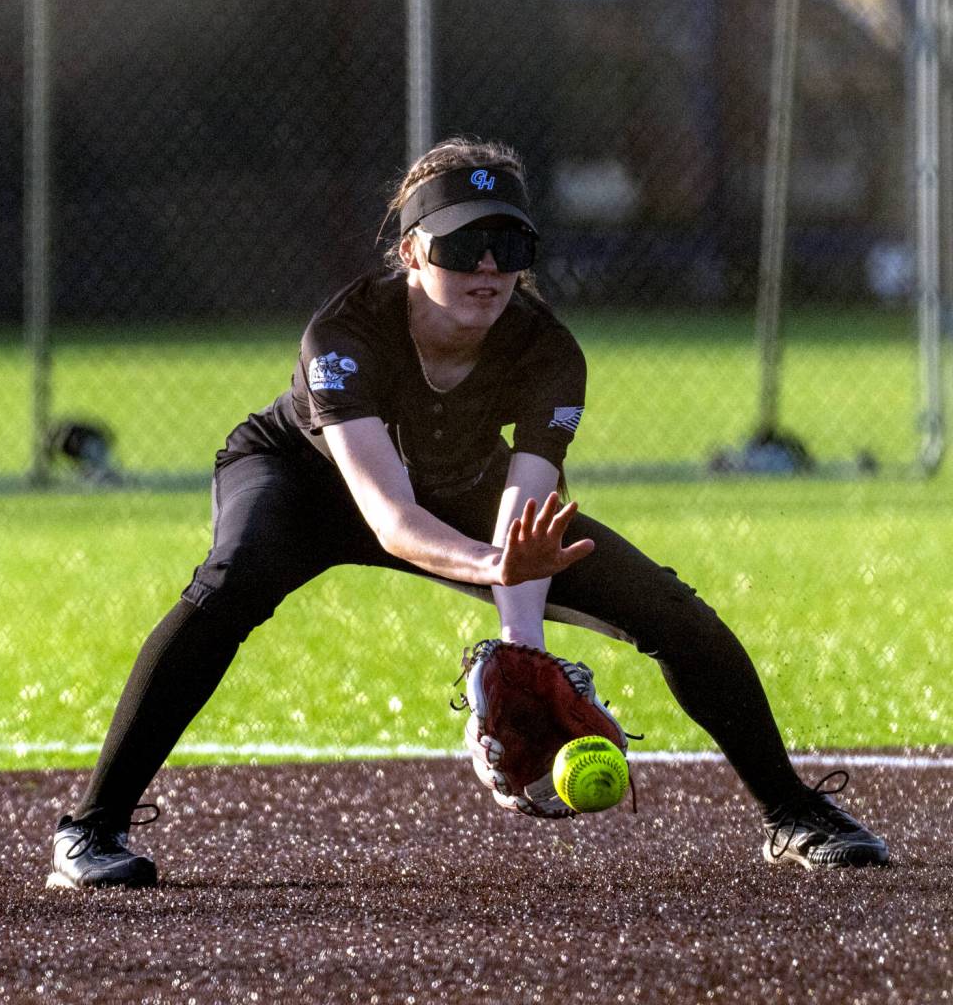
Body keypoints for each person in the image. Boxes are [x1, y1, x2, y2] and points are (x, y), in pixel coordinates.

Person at [47, 137, 889, 889]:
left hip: (463, 487)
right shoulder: (345, 333)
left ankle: (794, 814)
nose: (487, 266)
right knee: (229, 584)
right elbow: (384, 514)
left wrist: (524, 649)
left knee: (672, 612)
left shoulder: (546, 348)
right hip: (305, 482)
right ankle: (91, 830)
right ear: (412, 251)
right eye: (460, 245)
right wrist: (494, 567)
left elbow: (525, 503)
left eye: (509, 244)